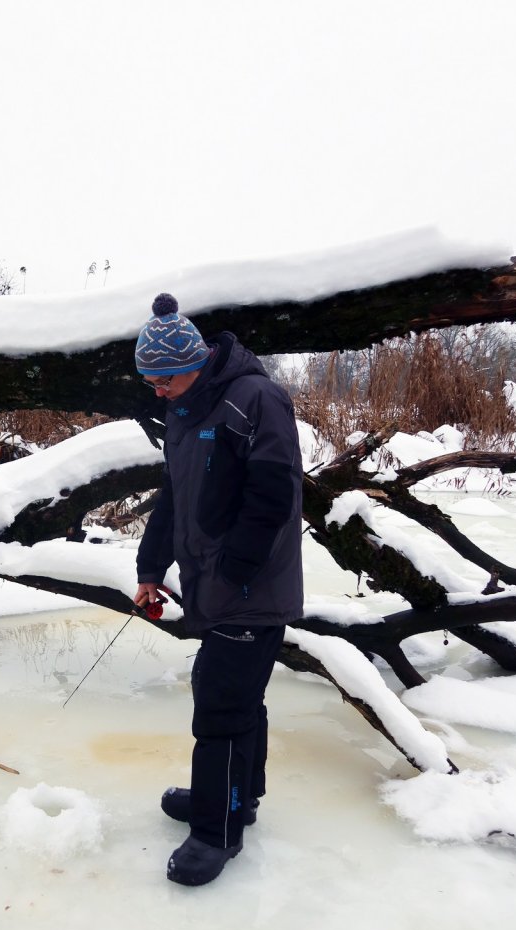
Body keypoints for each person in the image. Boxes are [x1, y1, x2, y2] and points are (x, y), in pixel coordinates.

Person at [133, 293, 304, 886]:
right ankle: (240, 798)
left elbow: (273, 496)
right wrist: (151, 567)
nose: (156, 390)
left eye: (163, 379)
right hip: (213, 584)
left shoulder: (255, 400)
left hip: (250, 586)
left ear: (195, 361)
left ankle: (217, 832)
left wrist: (233, 572)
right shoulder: (185, 412)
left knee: (221, 708)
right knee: (227, 691)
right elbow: (173, 498)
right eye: (149, 381)